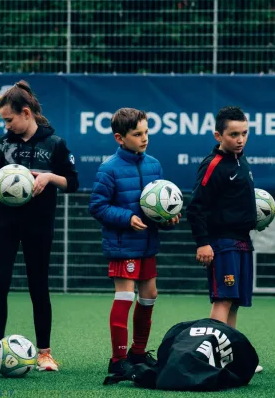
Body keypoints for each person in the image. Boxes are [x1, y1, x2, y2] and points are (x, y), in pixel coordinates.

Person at [0, 81, 79, 372]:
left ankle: (45, 353)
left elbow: (73, 182)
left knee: (38, 287)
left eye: (9, 119)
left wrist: (48, 178)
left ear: (27, 113)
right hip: (5, 223)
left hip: (39, 225)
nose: (6, 125)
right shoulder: (3, 144)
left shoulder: (54, 143)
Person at [89, 107, 180, 383]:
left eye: (146, 132)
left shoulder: (154, 164)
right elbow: (98, 206)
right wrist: (127, 218)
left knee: (150, 294)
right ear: (120, 138)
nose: (144, 138)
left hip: (147, 243)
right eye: (137, 134)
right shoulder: (108, 169)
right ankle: (118, 361)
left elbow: (159, 206)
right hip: (123, 244)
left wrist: (167, 218)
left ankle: (138, 353)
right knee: (125, 297)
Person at [186, 106, 262, 373]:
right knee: (223, 300)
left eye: (244, 133)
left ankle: (232, 356)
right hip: (222, 243)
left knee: (234, 302)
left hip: (242, 242)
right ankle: (211, 359)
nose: (240, 139)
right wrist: (203, 242)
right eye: (233, 134)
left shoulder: (243, 162)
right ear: (218, 135)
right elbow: (195, 207)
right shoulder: (213, 164)